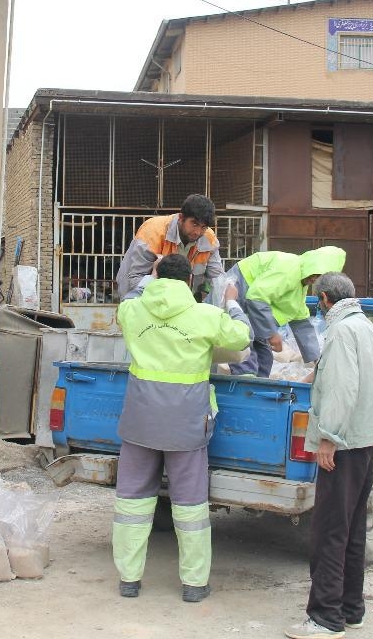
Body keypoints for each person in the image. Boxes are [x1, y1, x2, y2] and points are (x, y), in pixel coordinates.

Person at [112, 253, 251, 603]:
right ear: (190, 281)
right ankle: (193, 584)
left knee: (132, 503)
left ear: (156, 277)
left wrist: (149, 277)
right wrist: (232, 304)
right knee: (190, 507)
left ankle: (129, 579)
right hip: (186, 426)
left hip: (140, 423)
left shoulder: (132, 312)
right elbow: (242, 339)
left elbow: (128, 298)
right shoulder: (205, 316)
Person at [285, 272, 373, 639]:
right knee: (352, 528)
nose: (318, 307)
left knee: (329, 529)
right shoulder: (364, 325)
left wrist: (328, 437)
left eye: (318, 301)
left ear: (326, 299)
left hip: (343, 442)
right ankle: (350, 609)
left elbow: (343, 388)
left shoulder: (342, 331)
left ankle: (325, 618)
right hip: (365, 439)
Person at [226, 246, 346, 377]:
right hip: (238, 295)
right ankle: (246, 389)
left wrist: (317, 359)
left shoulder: (300, 284)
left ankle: (255, 389)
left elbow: (300, 320)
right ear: (311, 266)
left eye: (320, 278)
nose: (314, 280)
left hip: (253, 315)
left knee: (264, 360)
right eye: (316, 274)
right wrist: (272, 334)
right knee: (246, 355)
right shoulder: (289, 268)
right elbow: (256, 298)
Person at [115, 194, 223, 299]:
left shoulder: (209, 239)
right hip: (139, 301)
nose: (198, 232)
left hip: (182, 305)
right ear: (181, 218)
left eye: (204, 227)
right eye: (194, 224)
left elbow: (218, 279)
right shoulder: (152, 232)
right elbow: (135, 280)